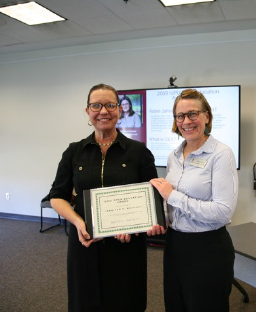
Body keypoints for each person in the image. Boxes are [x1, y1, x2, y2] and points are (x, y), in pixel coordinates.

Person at [49, 83, 158, 312]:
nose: (103, 111)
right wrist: (78, 223)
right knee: (85, 303)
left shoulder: (139, 152)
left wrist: (134, 226)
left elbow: (151, 200)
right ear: (88, 111)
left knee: (125, 302)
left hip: (126, 247)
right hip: (85, 243)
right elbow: (57, 196)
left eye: (110, 105)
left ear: (119, 110)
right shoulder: (74, 151)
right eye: (96, 105)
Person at [148, 89, 239, 312]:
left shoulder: (221, 154)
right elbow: (171, 202)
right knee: (175, 306)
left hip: (207, 249)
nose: (186, 121)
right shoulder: (174, 155)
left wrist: (173, 196)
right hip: (175, 246)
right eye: (180, 116)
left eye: (193, 114)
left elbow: (223, 212)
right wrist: (160, 217)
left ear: (206, 116)